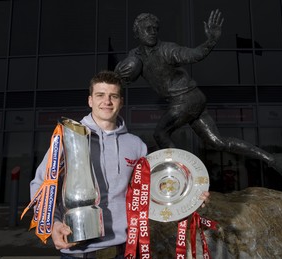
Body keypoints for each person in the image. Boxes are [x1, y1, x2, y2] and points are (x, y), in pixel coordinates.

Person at [29, 70, 210, 259]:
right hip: (78, 251)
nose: (106, 102)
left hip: (125, 249)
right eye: (100, 95)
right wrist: (53, 225)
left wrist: (190, 198)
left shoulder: (136, 145)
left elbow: (151, 191)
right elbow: (41, 185)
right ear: (90, 100)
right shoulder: (68, 137)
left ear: (121, 102)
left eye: (113, 96)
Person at [115, 10, 282, 180]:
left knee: (161, 133)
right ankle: (273, 159)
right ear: (137, 32)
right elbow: (124, 77)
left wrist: (211, 41)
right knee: (218, 142)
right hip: (190, 100)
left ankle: (180, 177)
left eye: (155, 29)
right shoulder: (134, 56)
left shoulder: (167, 49)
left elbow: (194, 54)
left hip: (186, 99)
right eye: (148, 29)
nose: (153, 32)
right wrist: (118, 75)